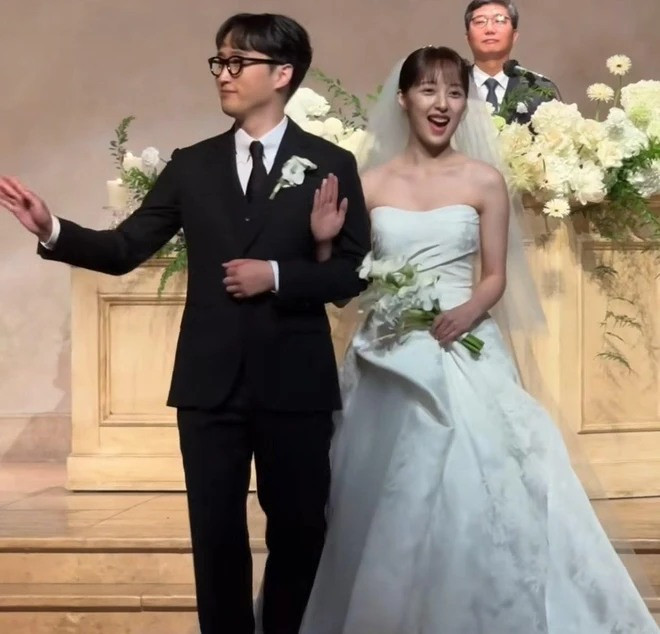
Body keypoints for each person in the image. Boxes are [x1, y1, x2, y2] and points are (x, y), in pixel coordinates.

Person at [0, 12, 370, 634]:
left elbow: (353, 274)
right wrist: (52, 229)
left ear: (283, 73)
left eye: (238, 62)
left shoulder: (329, 162)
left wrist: (278, 274)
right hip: (209, 383)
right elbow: (125, 249)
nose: (223, 74)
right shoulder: (192, 164)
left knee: (302, 529)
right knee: (215, 536)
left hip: (294, 380)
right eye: (219, 61)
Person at [298, 46, 658, 633]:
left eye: (455, 92)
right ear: (403, 99)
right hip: (386, 352)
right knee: (380, 497)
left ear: (467, 103)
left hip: (460, 345)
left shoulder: (484, 180)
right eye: (429, 90)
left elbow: (494, 275)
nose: (442, 104)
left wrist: (467, 310)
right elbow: (343, 286)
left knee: (478, 482)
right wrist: (321, 242)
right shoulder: (371, 184)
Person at [465, 0, 561, 124]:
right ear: (468, 37)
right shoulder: (452, 86)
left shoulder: (538, 88)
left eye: (499, 20)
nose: (489, 29)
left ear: (514, 36)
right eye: (479, 22)